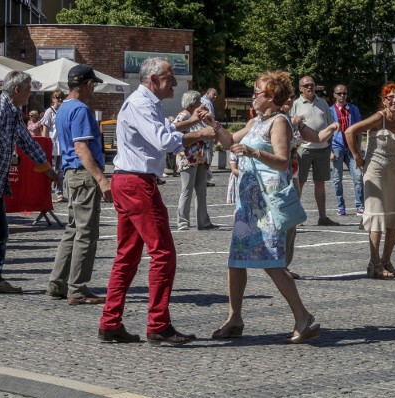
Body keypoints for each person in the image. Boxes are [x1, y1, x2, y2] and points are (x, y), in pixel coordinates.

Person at [98, 57, 215, 346]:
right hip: (137, 183)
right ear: (153, 80)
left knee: (127, 255)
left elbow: (162, 133)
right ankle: (158, 325)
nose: (174, 83)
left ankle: (110, 322)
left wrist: (192, 121)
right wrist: (201, 132)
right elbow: (165, 141)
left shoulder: (145, 102)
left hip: (129, 181)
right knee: (163, 253)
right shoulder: (141, 104)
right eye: (170, 77)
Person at [208, 70, 320, 344]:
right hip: (248, 206)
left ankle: (303, 317)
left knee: (272, 262)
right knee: (235, 262)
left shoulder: (279, 121)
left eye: (257, 92)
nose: (253, 96)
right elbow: (231, 141)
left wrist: (254, 152)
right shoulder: (256, 121)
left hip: (267, 204)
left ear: (271, 98)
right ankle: (234, 319)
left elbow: (283, 161)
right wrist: (213, 124)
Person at [0, 71, 57, 296]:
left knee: (0, 231)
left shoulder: (14, 111)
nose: (31, 93)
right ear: (17, 90)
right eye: (28, 89)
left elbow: (26, 141)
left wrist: (47, 169)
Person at [47, 65, 110, 305]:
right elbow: (81, 148)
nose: (94, 88)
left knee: (72, 231)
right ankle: (78, 288)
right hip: (84, 175)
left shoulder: (63, 108)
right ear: (88, 84)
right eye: (93, 84)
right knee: (86, 233)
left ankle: (57, 283)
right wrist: (102, 179)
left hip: (70, 175)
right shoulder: (82, 109)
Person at [345, 83, 395, 279]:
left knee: (393, 217)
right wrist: (357, 156)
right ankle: (374, 263)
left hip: (393, 170)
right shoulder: (378, 117)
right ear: (383, 100)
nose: (394, 100)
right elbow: (350, 131)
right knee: (377, 216)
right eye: (390, 97)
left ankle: (386, 260)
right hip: (374, 170)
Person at [290, 76, 339, 226]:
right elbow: (290, 126)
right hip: (303, 149)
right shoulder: (295, 104)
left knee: (320, 183)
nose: (310, 88)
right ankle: (296, 217)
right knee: (300, 183)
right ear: (300, 88)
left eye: (312, 85)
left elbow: (330, 125)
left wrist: (330, 147)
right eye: (306, 85)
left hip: (323, 149)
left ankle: (322, 217)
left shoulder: (322, 102)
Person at [175, 90, 217, 231]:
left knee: (201, 190)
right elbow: (174, 130)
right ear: (192, 103)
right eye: (199, 102)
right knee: (187, 190)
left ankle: (203, 222)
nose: (201, 104)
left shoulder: (199, 117)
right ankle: (182, 222)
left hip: (201, 158)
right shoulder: (184, 115)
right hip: (188, 158)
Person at [329, 84, 364, 216]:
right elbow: (327, 132)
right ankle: (340, 206)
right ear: (334, 95)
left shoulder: (353, 109)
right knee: (337, 179)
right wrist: (330, 151)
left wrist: (358, 148)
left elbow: (359, 130)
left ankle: (360, 206)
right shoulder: (330, 110)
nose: (342, 96)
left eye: (344, 93)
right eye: (339, 93)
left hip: (351, 148)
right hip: (336, 146)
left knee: (358, 177)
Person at [41, 90, 66, 202]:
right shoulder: (49, 112)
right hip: (52, 144)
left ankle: (59, 192)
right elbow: (45, 130)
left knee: (60, 169)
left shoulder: (64, 111)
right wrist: (44, 145)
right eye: (57, 97)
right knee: (53, 169)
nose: (59, 99)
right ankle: (52, 191)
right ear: (53, 99)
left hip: (62, 144)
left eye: (61, 97)